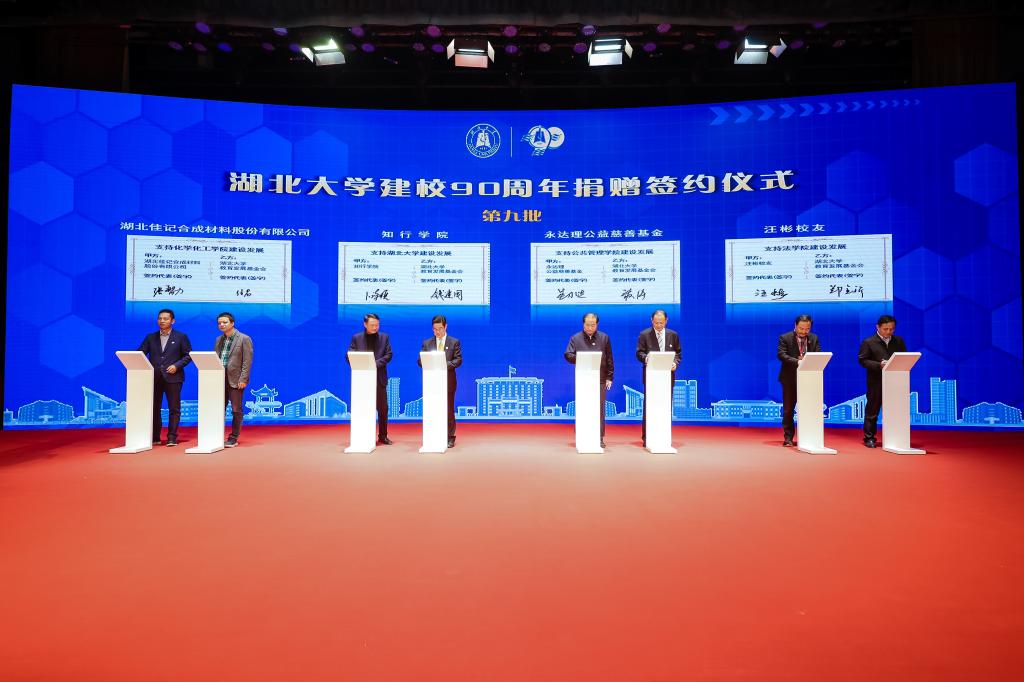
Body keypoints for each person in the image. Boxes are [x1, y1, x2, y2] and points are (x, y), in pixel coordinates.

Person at [138, 308, 192, 446]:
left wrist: (177, 366)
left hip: (173, 377)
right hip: (154, 378)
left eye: (165, 318)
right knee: (154, 408)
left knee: (174, 408)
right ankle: (155, 436)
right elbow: (140, 354)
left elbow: (188, 356)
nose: (162, 321)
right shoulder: (150, 337)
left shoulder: (181, 337)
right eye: (160, 318)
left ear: (172, 321)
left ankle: (172, 437)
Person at [564, 312, 614, 448]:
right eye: (587, 325)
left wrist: (610, 377)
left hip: (600, 379)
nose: (590, 328)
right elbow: (568, 354)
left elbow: (609, 358)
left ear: (597, 324)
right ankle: (582, 436)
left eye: (593, 325)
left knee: (599, 409)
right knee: (583, 407)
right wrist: (581, 358)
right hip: (583, 379)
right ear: (583, 324)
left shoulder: (604, 338)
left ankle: (599, 438)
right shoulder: (576, 338)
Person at [858, 314, 907, 448]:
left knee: (896, 410)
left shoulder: (899, 341)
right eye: (886, 329)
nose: (889, 332)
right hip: (876, 381)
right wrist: (879, 365)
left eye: (892, 329)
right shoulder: (869, 342)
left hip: (896, 380)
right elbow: (863, 360)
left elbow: (904, 357)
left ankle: (896, 436)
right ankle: (869, 438)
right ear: (878, 327)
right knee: (872, 411)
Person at [635, 309, 681, 447]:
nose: (659, 325)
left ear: (666, 321)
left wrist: (675, 363)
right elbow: (639, 353)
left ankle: (664, 437)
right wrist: (646, 358)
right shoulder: (644, 334)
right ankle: (647, 437)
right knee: (649, 407)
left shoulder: (673, 335)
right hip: (651, 377)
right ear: (652, 321)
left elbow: (678, 354)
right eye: (656, 323)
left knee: (665, 407)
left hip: (667, 377)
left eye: (661, 323)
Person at [348, 313, 394, 445]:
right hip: (362, 380)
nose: (375, 327)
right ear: (365, 324)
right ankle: (363, 435)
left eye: (377, 325)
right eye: (372, 325)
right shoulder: (356, 338)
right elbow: (349, 355)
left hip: (379, 379)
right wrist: (360, 362)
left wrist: (374, 364)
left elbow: (389, 355)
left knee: (383, 409)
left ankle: (383, 436)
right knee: (363, 408)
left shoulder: (384, 337)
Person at [418, 315, 463, 448]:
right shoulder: (427, 343)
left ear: (445, 327)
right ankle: (434, 435)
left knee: (448, 410)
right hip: (432, 383)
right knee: (432, 409)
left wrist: (443, 364)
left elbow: (458, 360)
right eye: (435, 329)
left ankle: (450, 437)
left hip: (448, 381)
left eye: (440, 329)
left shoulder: (454, 342)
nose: (437, 332)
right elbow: (420, 360)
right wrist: (425, 362)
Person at [777, 314, 821, 447]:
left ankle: (808, 437)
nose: (804, 331)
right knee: (788, 410)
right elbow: (781, 355)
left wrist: (808, 361)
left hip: (809, 379)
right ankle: (788, 437)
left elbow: (818, 354)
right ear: (795, 326)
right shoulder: (785, 338)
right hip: (790, 379)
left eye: (807, 329)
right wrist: (798, 361)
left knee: (809, 409)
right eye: (801, 328)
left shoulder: (814, 338)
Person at [214, 312, 253, 448]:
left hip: (236, 380)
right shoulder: (219, 339)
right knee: (219, 408)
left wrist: (243, 379)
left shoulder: (244, 339)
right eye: (219, 323)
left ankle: (233, 437)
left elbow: (247, 361)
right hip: (220, 379)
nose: (221, 325)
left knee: (236, 410)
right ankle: (216, 436)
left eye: (224, 322)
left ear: (232, 323)